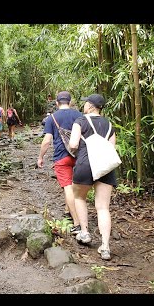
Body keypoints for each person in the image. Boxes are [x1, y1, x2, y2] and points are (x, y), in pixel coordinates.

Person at [68, 94, 117, 261]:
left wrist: (73, 149)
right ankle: (105, 246)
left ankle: (85, 232)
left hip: (85, 164)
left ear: (89, 106)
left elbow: (74, 144)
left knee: (79, 197)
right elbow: (111, 148)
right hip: (105, 167)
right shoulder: (109, 124)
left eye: (85, 104)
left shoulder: (80, 121)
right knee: (103, 207)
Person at [37, 91, 82, 233]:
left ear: (57, 103)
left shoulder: (52, 118)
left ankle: (77, 222)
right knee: (75, 185)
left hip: (61, 157)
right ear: (70, 102)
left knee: (67, 186)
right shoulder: (79, 115)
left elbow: (47, 141)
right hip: (79, 156)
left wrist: (40, 157)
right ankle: (69, 210)